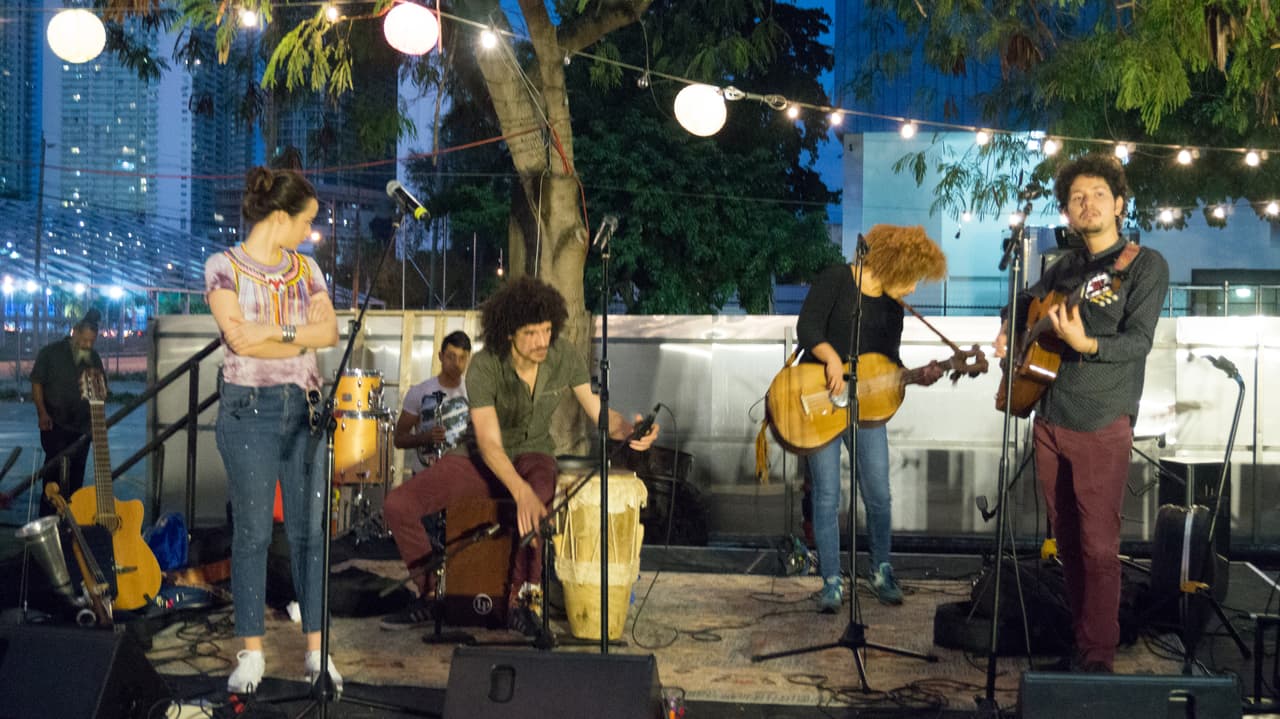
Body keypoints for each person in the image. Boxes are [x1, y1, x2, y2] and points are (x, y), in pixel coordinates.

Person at [380, 276, 659, 633]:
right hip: (479, 456)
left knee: (539, 494)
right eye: (531, 333)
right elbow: (490, 443)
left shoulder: (563, 356)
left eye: (546, 330)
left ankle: (522, 603)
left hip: (534, 453)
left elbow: (599, 412)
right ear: (509, 332)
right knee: (398, 505)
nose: (542, 341)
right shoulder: (484, 365)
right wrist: (519, 490)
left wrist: (630, 431)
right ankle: (432, 594)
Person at [994, 155, 1168, 672]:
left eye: (1096, 194)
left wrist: (1085, 342)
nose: (1086, 203)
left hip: (1099, 421)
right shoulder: (1063, 266)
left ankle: (1098, 659)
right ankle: (1079, 640)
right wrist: (1008, 325)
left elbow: (1138, 341)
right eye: (1076, 198)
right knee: (1066, 541)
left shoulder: (1143, 265)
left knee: (1097, 546)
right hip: (1047, 415)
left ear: (1118, 203)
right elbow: (1023, 299)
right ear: (1067, 212)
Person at [205, 166, 341, 694]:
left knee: (310, 533)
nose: (310, 232)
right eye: (306, 221)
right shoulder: (223, 266)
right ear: (280, 217)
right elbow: (238, 343)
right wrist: (296, 338)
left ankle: (317, 652)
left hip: (303, 409)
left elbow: (326, 332)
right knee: (255, 533)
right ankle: (252, 654)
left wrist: (277, 331)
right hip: (248, 411)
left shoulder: (305, 269)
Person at [796, 224, 947, 611]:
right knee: (827, 494)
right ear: (896, 264)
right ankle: (831, 579)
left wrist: (917, 376)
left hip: (869, 408)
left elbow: (888, 362)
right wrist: (831, 357)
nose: (913, 289)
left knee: (878, 491)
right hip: (821, 401)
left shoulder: (893, 307)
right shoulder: (837, 278)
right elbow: (808, 326)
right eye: (912, 277)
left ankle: (881, 569)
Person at [29, 309, 105, 514]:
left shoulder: (94, 358)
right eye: (85, 340)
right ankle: (49, 519)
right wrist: (42, 413)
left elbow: (100, 391)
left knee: (76, 477)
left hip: (82, 428)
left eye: (92, 342)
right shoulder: (50, 353)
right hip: (55, 425)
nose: (88, 346)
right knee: (53, 477)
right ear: (74, 333)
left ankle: (71, 522)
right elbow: (37, 384)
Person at [393, 330, 472, 475]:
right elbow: (398, 439)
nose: (456, 363)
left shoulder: (474, 393)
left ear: (468, 360)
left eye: (462, 358)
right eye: (451, 357)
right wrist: (424, 438)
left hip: (462, 479)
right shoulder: (419, 392)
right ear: (440, 357)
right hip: (425, 478)